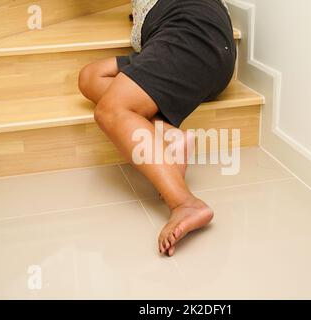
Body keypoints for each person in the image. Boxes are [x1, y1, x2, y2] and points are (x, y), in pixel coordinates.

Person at [78, 0, 236, 256]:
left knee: (111, 111)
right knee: (90, 77)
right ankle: (166, 133)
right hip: (184, 46)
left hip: (190, 35)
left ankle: (185, 204)